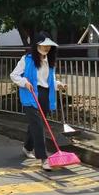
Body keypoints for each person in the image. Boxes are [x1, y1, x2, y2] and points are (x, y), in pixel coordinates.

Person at [10, 31, 67, 171]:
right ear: (36, 46)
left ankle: (27, 147)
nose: (47, 48)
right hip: (30, 94)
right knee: (38, 126)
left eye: (49, 46)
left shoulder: (50, 61)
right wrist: (24, 82)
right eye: (44, 45)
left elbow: (49, 79)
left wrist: (58, 83)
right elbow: (14, 75)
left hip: (45, 95)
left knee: (36, 124)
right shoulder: (27, 59)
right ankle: (44, 158)